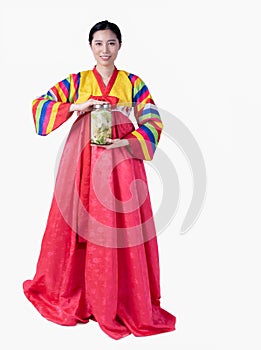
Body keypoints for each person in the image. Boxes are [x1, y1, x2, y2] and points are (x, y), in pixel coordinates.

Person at [23, 20, 176, 340]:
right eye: (98, 44)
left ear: (120, 46)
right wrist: (79, 107)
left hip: (121, 162)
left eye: (110, 44)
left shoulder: (133, 82)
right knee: (80, 222)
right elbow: (40, 105)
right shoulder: (78, 81)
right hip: (83, 161)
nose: (104, 50)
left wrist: (128, 141)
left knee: (119, 224)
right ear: (90, 46)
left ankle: (117, 298)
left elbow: (152, 118)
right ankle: (81, 292)